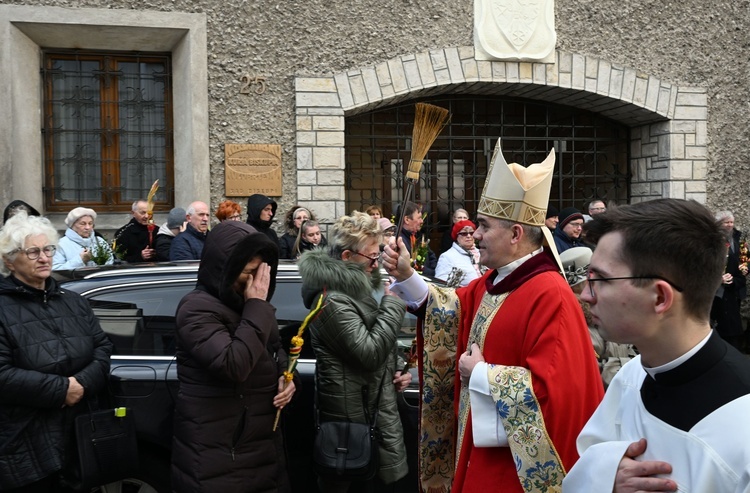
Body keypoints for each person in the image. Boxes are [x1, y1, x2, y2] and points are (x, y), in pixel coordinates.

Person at [382, 141, 603, 493]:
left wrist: (481, 374)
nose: (476, 236)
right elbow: (451, 309)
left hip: (513, 469)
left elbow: (557, 393)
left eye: (483, 226)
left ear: (516, 234)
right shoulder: (493, 281)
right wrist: (409, 276)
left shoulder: (550, 294)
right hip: (477, 449)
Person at [562, 199, 750, 493]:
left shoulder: (743, 422)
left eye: (600, 280)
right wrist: (608, 475)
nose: (586, 295)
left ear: (660, 298)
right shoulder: (630, 377)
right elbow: (590, 453)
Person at [171, 221, 295, 492]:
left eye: (261, 273)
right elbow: (234, 364)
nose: (256, 281)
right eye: (249, 272)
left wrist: (286, 377)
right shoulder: (196, 309)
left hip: (260, 444)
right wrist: (256, 306)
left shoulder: (250, 305)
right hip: (221, 451)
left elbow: (273, 350)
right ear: (225, 269)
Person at [298, 211, 410, 492]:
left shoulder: (356, 289)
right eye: (372, 256)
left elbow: (372, 339)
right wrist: (393, 305)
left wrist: (396, 366)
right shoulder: (332, 301)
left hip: (372, 415)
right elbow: (369, 353)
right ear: (347, 257)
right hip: (354, 429)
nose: (377, 263)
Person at [0, 212, 112, 491]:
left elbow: (103, 348)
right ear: (9, 260)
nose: (44, 257)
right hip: (26, 440)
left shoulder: (72, 301)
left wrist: (80, 385)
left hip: (79, 435)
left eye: (48, 249)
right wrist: (61, 389)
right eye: (33, 251)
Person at [560, 246, 636, 388]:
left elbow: (634, 343)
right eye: (594, 282)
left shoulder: (612, 306)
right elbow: (589, 371)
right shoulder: (573, 322)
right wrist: (632, 367)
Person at [710, 210, 747, 350]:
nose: (730, 225)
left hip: (733, 288)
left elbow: (744, 259)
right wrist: (718, 279)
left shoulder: (738, 239)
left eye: (732, 222)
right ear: (719, 223)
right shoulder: (711, 240)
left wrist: (744, 269)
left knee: (733, 327)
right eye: (727, 222)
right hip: (715, 291)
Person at [434, 219, 484, 287]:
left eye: (471, 233)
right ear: (456, 236)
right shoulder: (447, 257)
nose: (468, 236)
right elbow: (441, 285)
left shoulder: (481, 252)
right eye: (464, 233)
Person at [397, 201, 437, 277]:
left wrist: (435, 271)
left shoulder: (417, 236)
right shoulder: (399, 241)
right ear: (407, 220)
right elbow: (411, 267)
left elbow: (431, 256)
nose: (422, 221)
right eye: (419, 218)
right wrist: (431, 273)